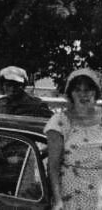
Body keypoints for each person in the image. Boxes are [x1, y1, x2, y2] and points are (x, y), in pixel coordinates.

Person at [46, 68, 102, 210]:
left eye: (88, 89)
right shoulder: (60, 121)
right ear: (70, 94)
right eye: (77, 90)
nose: (83, 94)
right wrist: (58, 201)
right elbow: (53, 167)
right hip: (72, 194)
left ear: (96, 92)